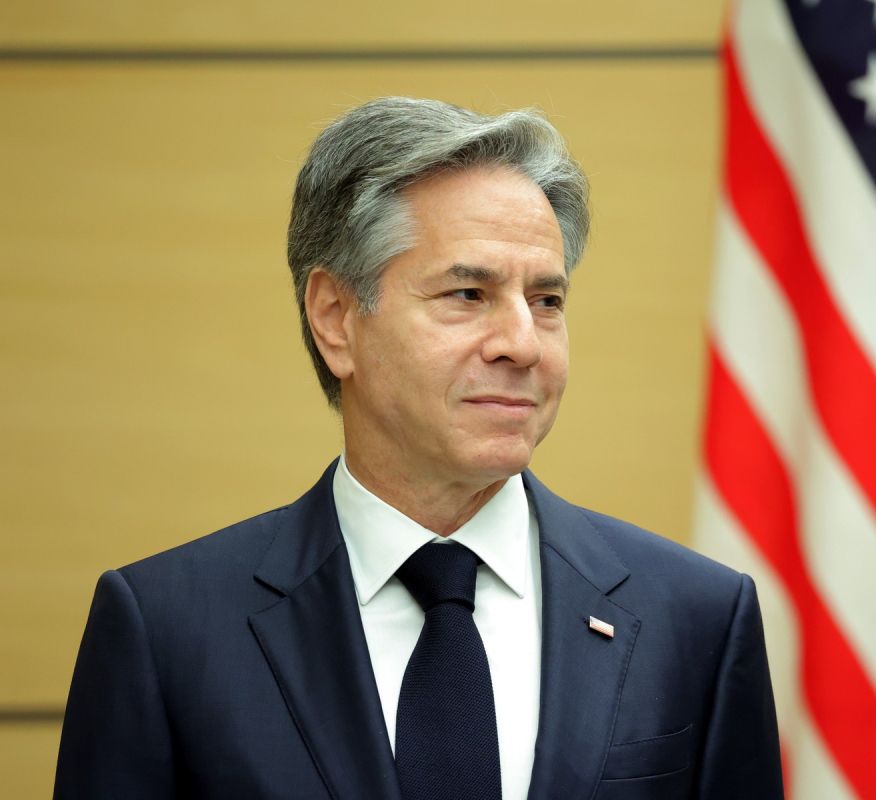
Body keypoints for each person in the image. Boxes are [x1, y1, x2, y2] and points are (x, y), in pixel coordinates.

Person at [54, 97, 783, 800]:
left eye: (546, 301)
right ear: (336, 318)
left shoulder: (696, 619)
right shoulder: (167, 630)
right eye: (468, 294)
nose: (523, 344)